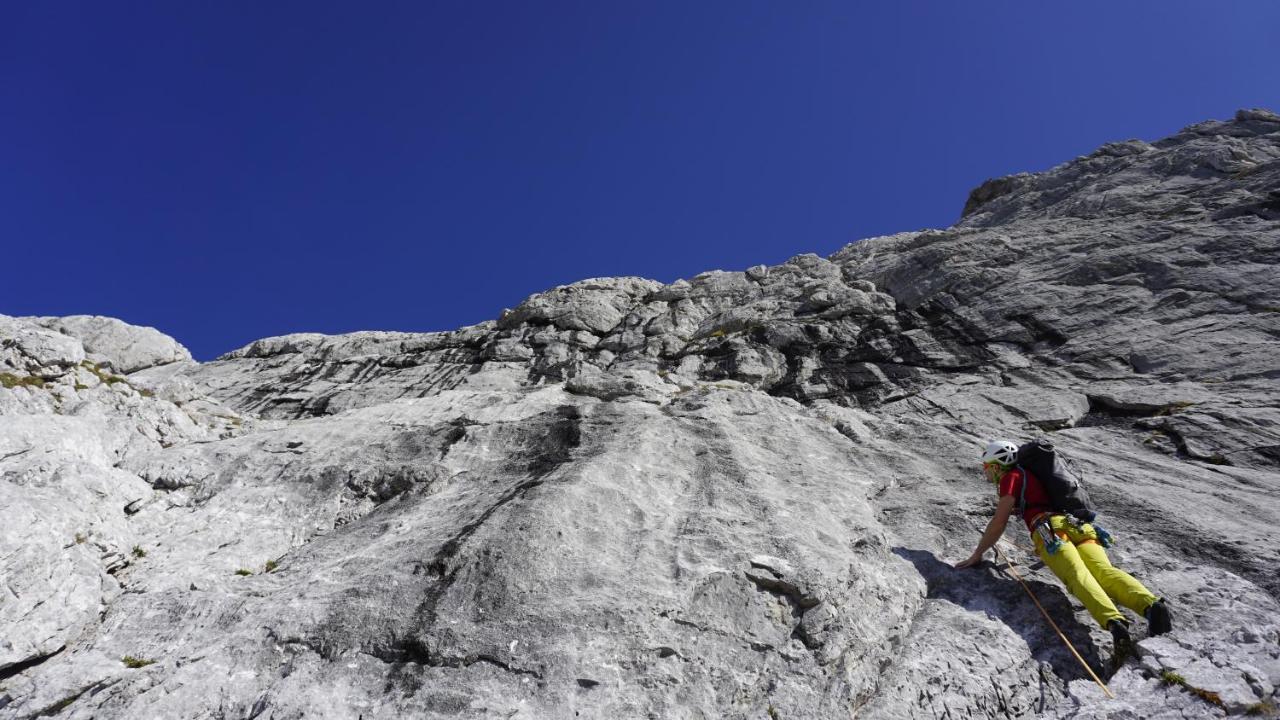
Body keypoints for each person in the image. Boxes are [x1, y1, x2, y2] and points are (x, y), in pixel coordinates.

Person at [955, 439, 1172, 664]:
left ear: (998, 465)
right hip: (1079, 526)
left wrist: (977, 553)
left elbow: (998, 522)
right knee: (1103, 571)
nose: (984, 471)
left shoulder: (1011, 478)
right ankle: (1151, 605)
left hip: (1050, 531)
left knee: (1077, 575)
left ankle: (1115, 624)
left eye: (986, 466)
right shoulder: (1037, 474)